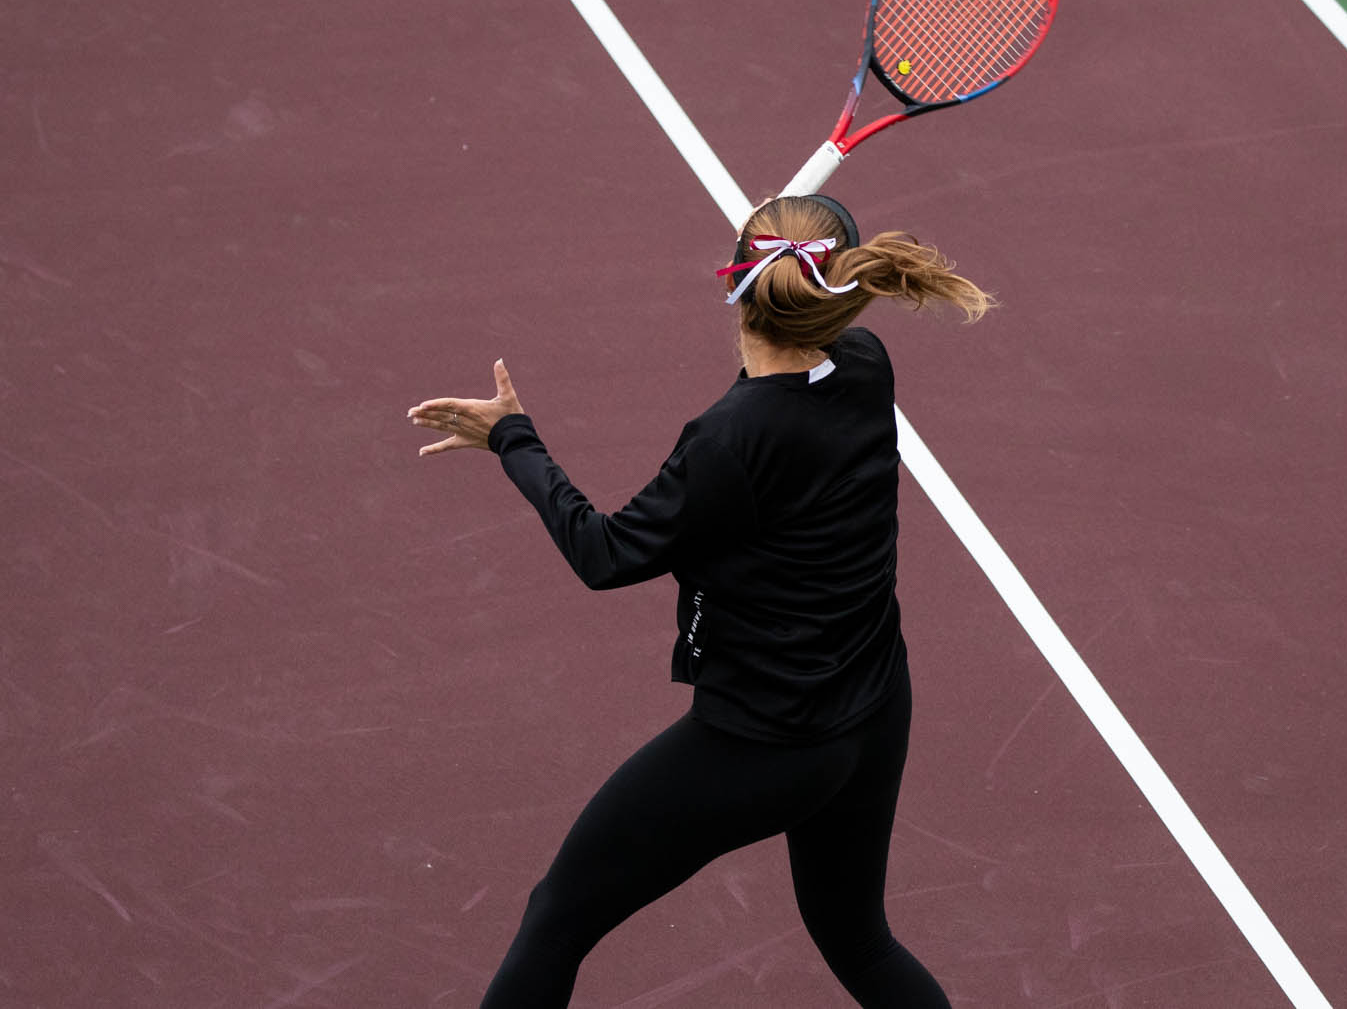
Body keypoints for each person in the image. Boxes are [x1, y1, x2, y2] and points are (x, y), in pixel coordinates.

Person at [407, 194, 991, 1008]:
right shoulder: (863, 365)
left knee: (557, 916)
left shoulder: (729, 440)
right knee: (859, 939)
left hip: (766, 744)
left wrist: (513, 437)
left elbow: (604, 553)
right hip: (873, 711)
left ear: (741, 287)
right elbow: (772, 399)